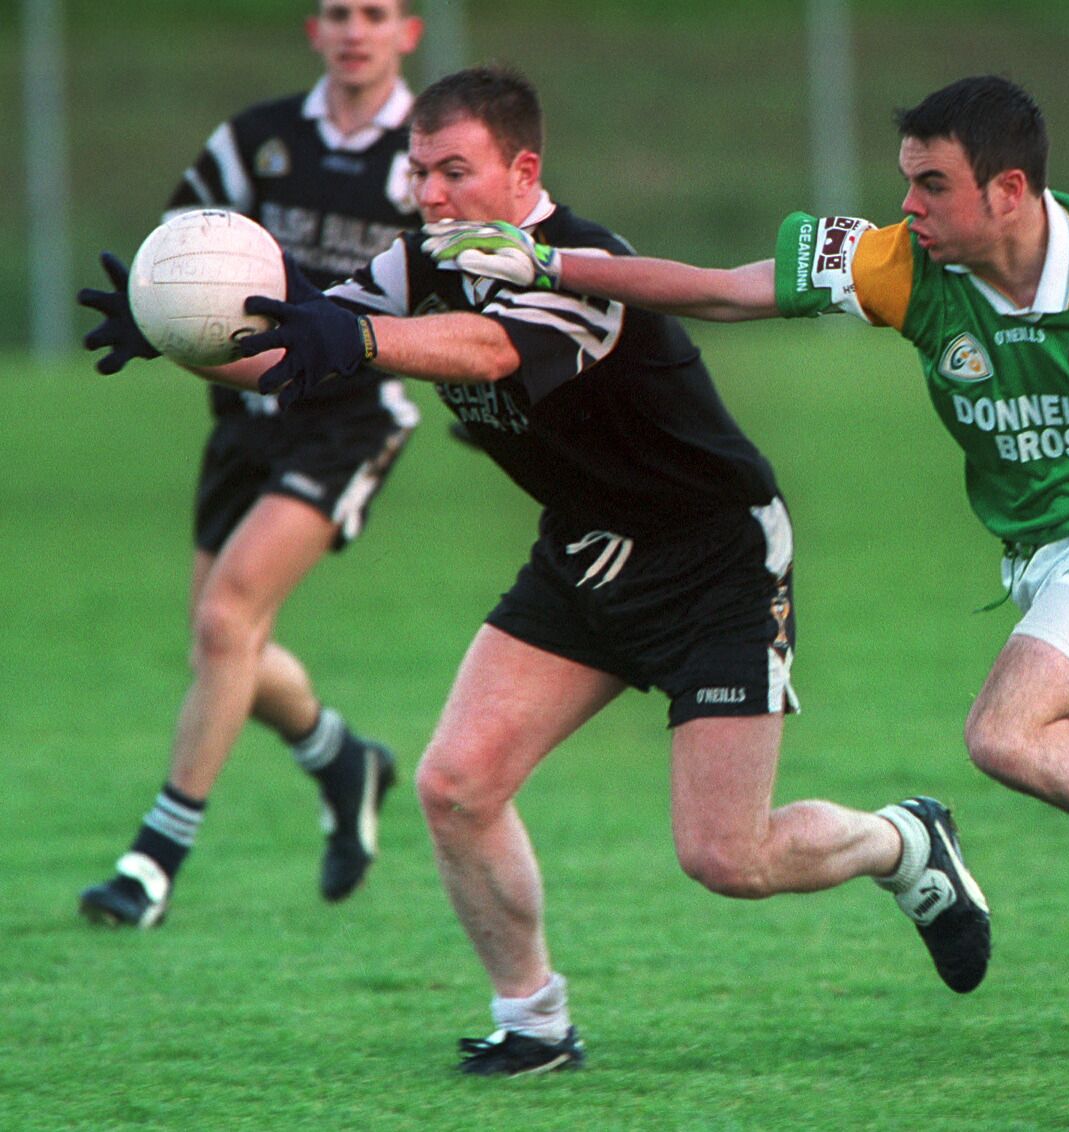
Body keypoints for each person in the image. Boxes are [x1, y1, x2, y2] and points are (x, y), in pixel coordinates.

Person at [428, 75, 1069, 1047]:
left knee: (1004, 731)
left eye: (932, 186)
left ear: (1009, 190)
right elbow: (719, 289)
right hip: (1048, 557)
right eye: (906, 183)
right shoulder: (905, 265)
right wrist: (551, 262)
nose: (909, 208)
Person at [79, 65, 993, 1075]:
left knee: (727, 857)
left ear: (522, 171)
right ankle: (534, 1022)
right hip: (586, 554)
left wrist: (362, 336)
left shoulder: (585, 266)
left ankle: (903, 843)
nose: (430, 194)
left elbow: (486, 353)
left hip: (714, 560)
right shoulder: (415, 265)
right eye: (419, 171)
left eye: (453, 171)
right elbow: (285, 351)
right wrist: (180, 331)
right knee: (455, 785)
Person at [76, 0, 425, 927]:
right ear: (315, 31)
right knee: (221, 641)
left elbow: (459, 293)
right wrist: (162, 319)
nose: (354, 30)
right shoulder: (254, 143)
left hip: (348, 418)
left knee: (228, 617)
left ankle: (153, 862)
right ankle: (341, 759)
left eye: (375, 13)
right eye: (338, 13)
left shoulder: (426, 159)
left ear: (408, 32)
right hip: (243, 416)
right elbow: (179, 266)